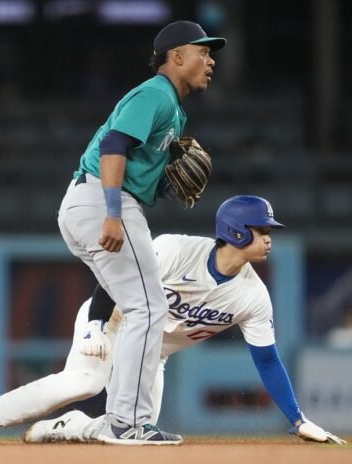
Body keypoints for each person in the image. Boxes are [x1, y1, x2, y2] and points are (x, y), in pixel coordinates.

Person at [0, 195, 345, 445]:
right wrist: (95, 324)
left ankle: (67, 427)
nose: (269, 238)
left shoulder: (253, 297)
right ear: (236, 231)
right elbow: (115, 279)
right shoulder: (175, 250)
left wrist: (297, 419)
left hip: (152, 354)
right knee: (85, 379)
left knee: (132, 435)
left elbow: (267, 360)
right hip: (111, 322)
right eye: (262, 230)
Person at [47, 20, 225, 445]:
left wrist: (164, 182)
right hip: (104, 200)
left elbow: (141, 169)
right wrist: (112, 214)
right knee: (148, 309)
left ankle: (122, 419)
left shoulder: (173, 111)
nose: (210, 60)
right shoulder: (156, 94)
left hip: (93, 202)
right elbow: (113, 146)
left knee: (141, 307)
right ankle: (125, 421)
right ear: (177, 56)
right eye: (202, 51)